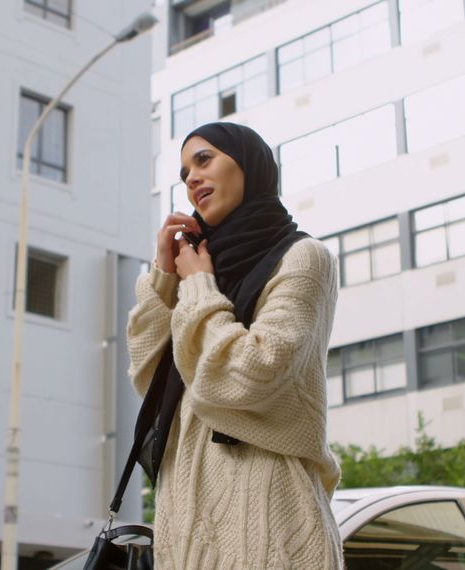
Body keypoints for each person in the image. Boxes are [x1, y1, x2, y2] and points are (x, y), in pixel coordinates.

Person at [126, 122, 343, 569]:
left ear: (248, 166)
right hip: (184, 520)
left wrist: (199, 284)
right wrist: (166, 277)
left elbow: (249, 374)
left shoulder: (303, 258)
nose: (190, 177)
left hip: (267, 513)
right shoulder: (199, 269)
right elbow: (149, 375)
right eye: (185, 170)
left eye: (204, 159)